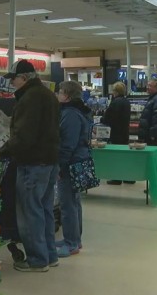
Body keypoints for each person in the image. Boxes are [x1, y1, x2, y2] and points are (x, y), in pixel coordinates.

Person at [0, 59, 60, 272]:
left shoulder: (29, 99)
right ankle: (50, 255)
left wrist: (2, 150)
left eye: (13, 79)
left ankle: (37, 260)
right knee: (44, 210)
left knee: (29, 212)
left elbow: (24, 136)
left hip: (32, 163)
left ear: (23, 78)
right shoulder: (48, 95)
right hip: (50, 161)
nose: (12, 83)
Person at [56, 81, 92, 257]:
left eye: (60, 92)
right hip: (79, 161)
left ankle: (71, 243)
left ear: (67, 95)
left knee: (67, 204)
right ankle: (74, 239)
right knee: (75, 202)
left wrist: (60, 166)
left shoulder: (69, 114)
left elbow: (67, 144)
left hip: (70, 163)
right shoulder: (79, 111)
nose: (58, 95)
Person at [101, 81, 132, 185]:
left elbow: (108, 118)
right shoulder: (126, 101)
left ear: (115, 91)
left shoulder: (115, 102)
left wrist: (101, 119)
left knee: (116, 156)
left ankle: (117, 178)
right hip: (124, 132)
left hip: (115, 133)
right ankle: (128, 177)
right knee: (124, 155)